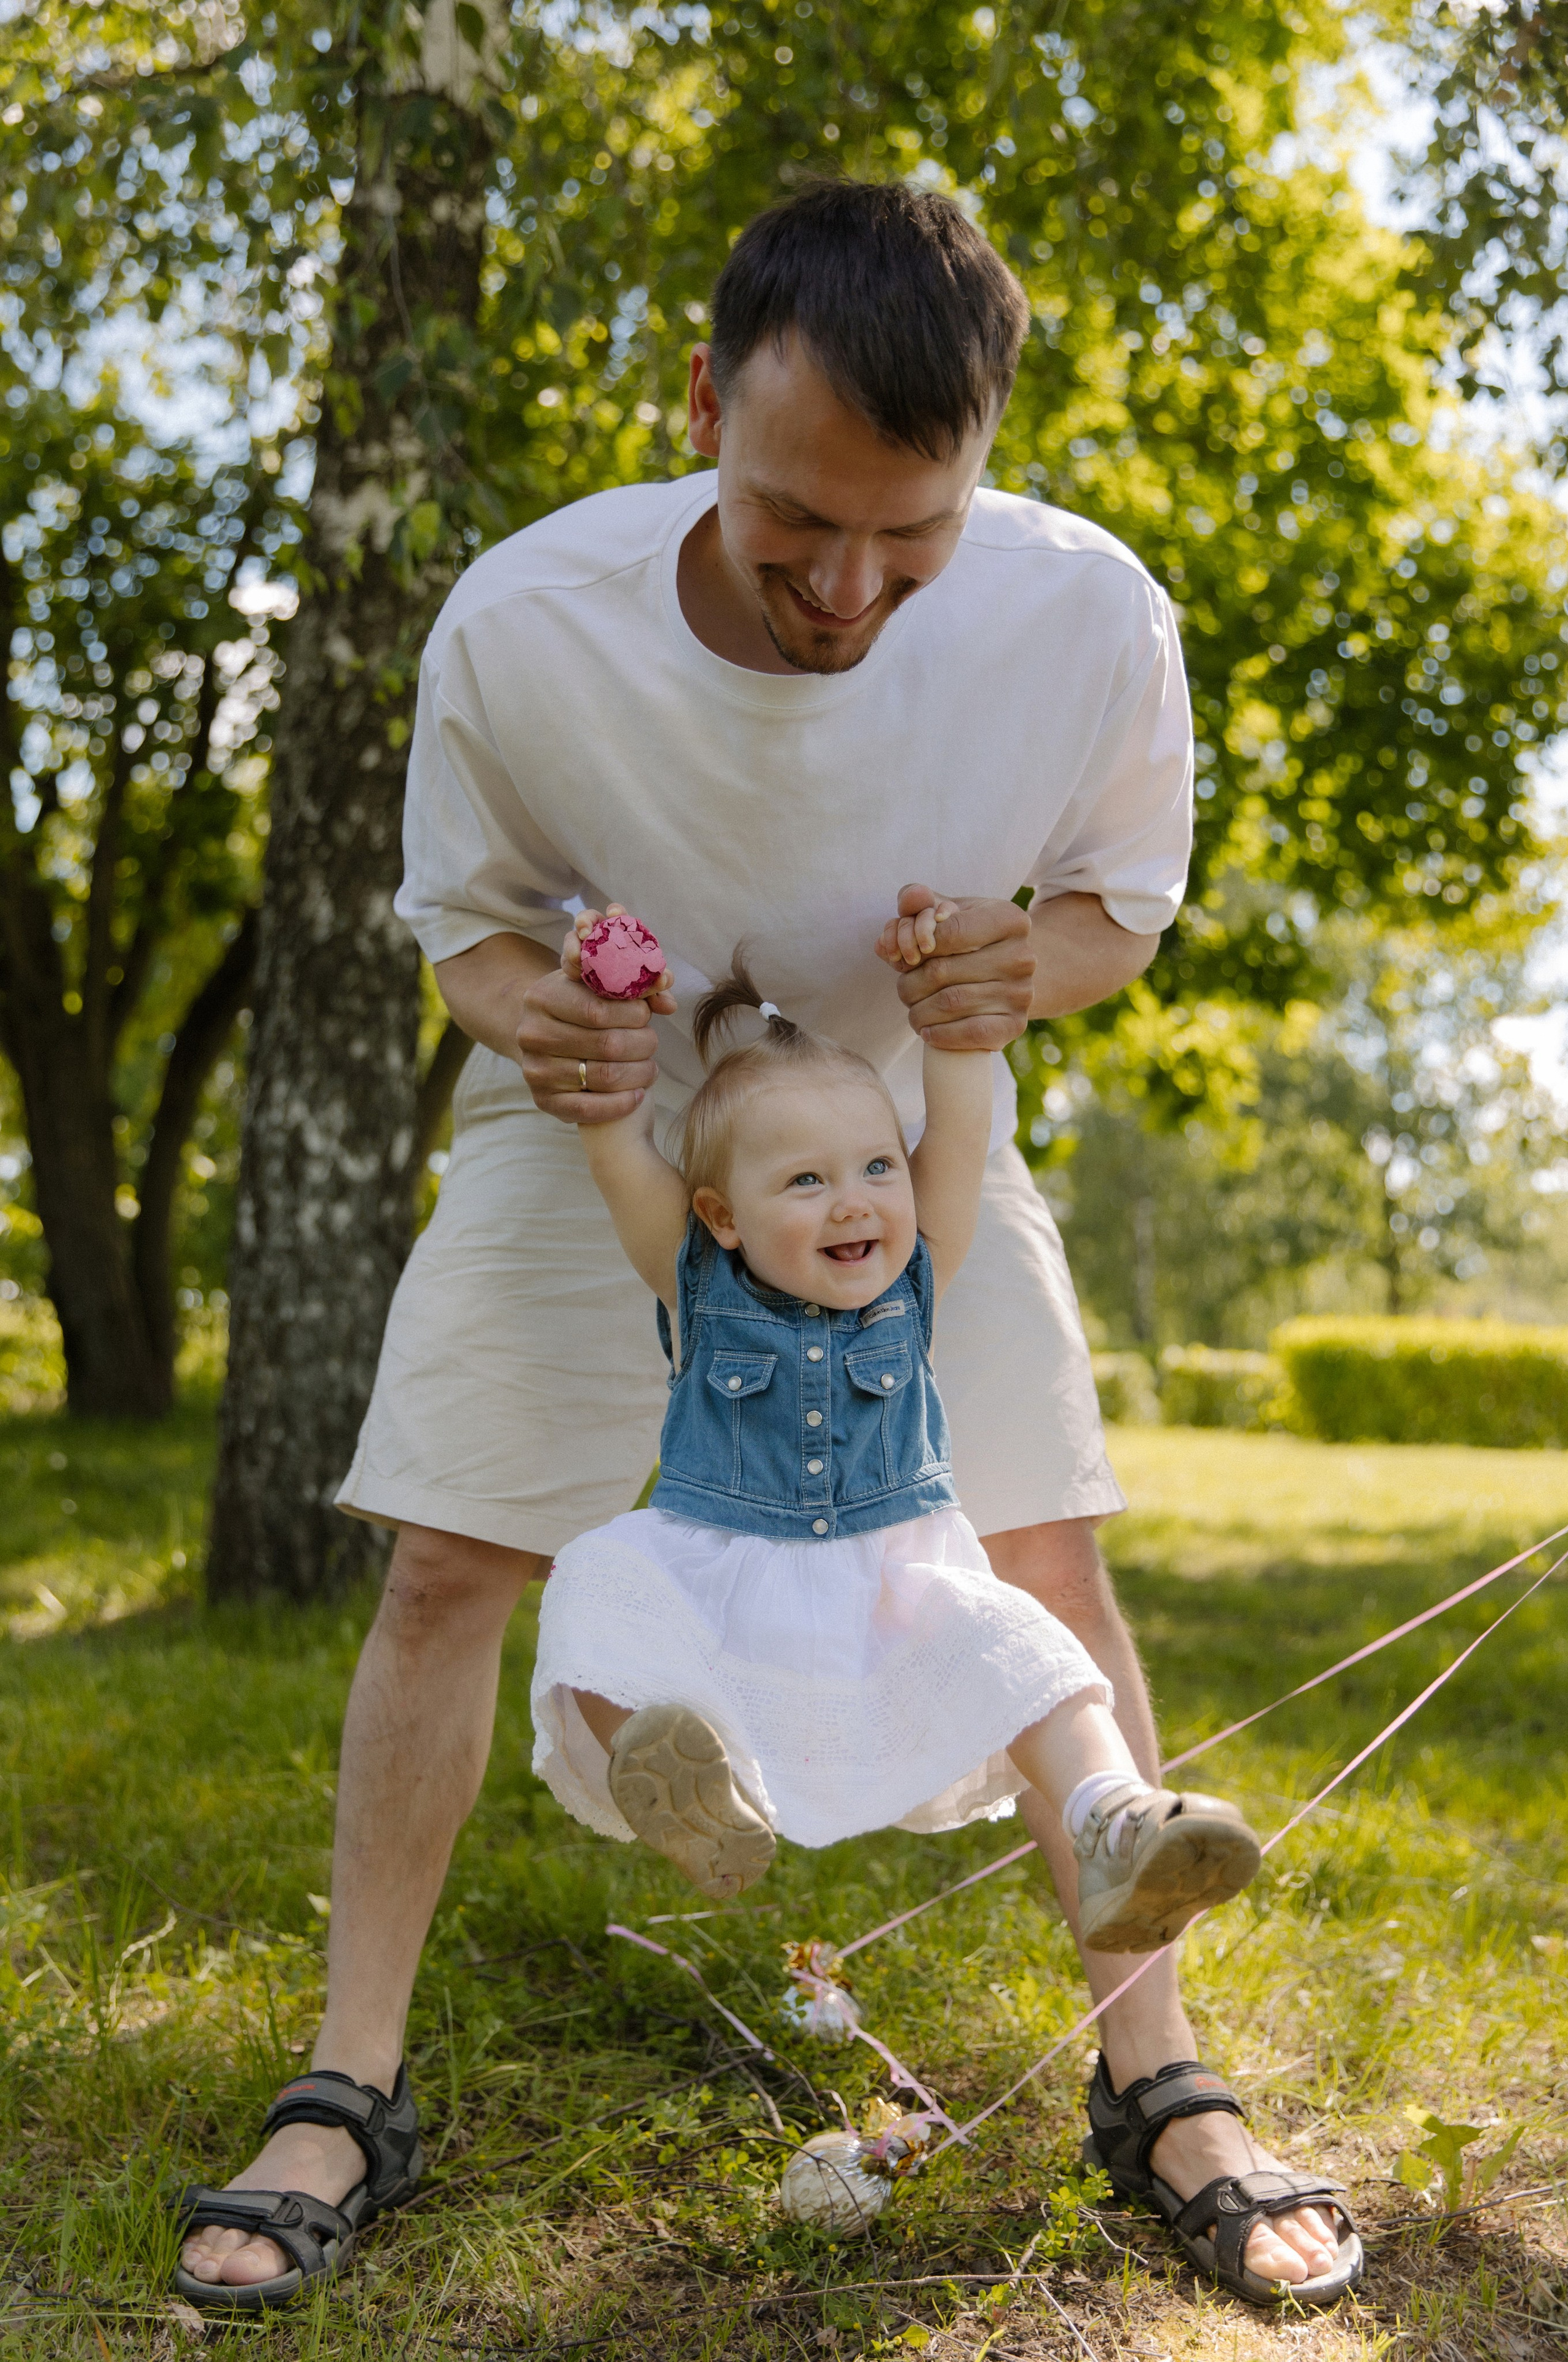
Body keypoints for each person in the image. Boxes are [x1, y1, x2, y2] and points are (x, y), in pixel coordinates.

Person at [176, 178, 1362, 2312]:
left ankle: (1160, 2077)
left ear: (984, 456)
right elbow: (470, 928)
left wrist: (1021, 968)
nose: (845, 587)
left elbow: (1114, 907)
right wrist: (524, 1012)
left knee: (1048, 1559)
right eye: (796, 519)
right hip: (603, 1125)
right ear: (709, 398)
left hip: (893, 1138)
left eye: (909, 539)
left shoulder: (1087, 616)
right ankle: (348, 2083)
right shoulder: (532, 624)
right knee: (450, 1562)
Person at [535, 904, 1265, 1965]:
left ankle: (1116, 1818)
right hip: (717, 1572)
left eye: (877, 1167)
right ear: (720, 1216)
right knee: (595, 1590)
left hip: (897, 1584)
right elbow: (614, 1145)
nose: (854, 1204)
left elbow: (958, 1129)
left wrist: (958, 1020)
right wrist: (608, 1005)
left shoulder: (919, 1276)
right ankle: (684, 1784)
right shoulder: (694, 1283)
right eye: (806, 1181)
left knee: (1037, 1662)